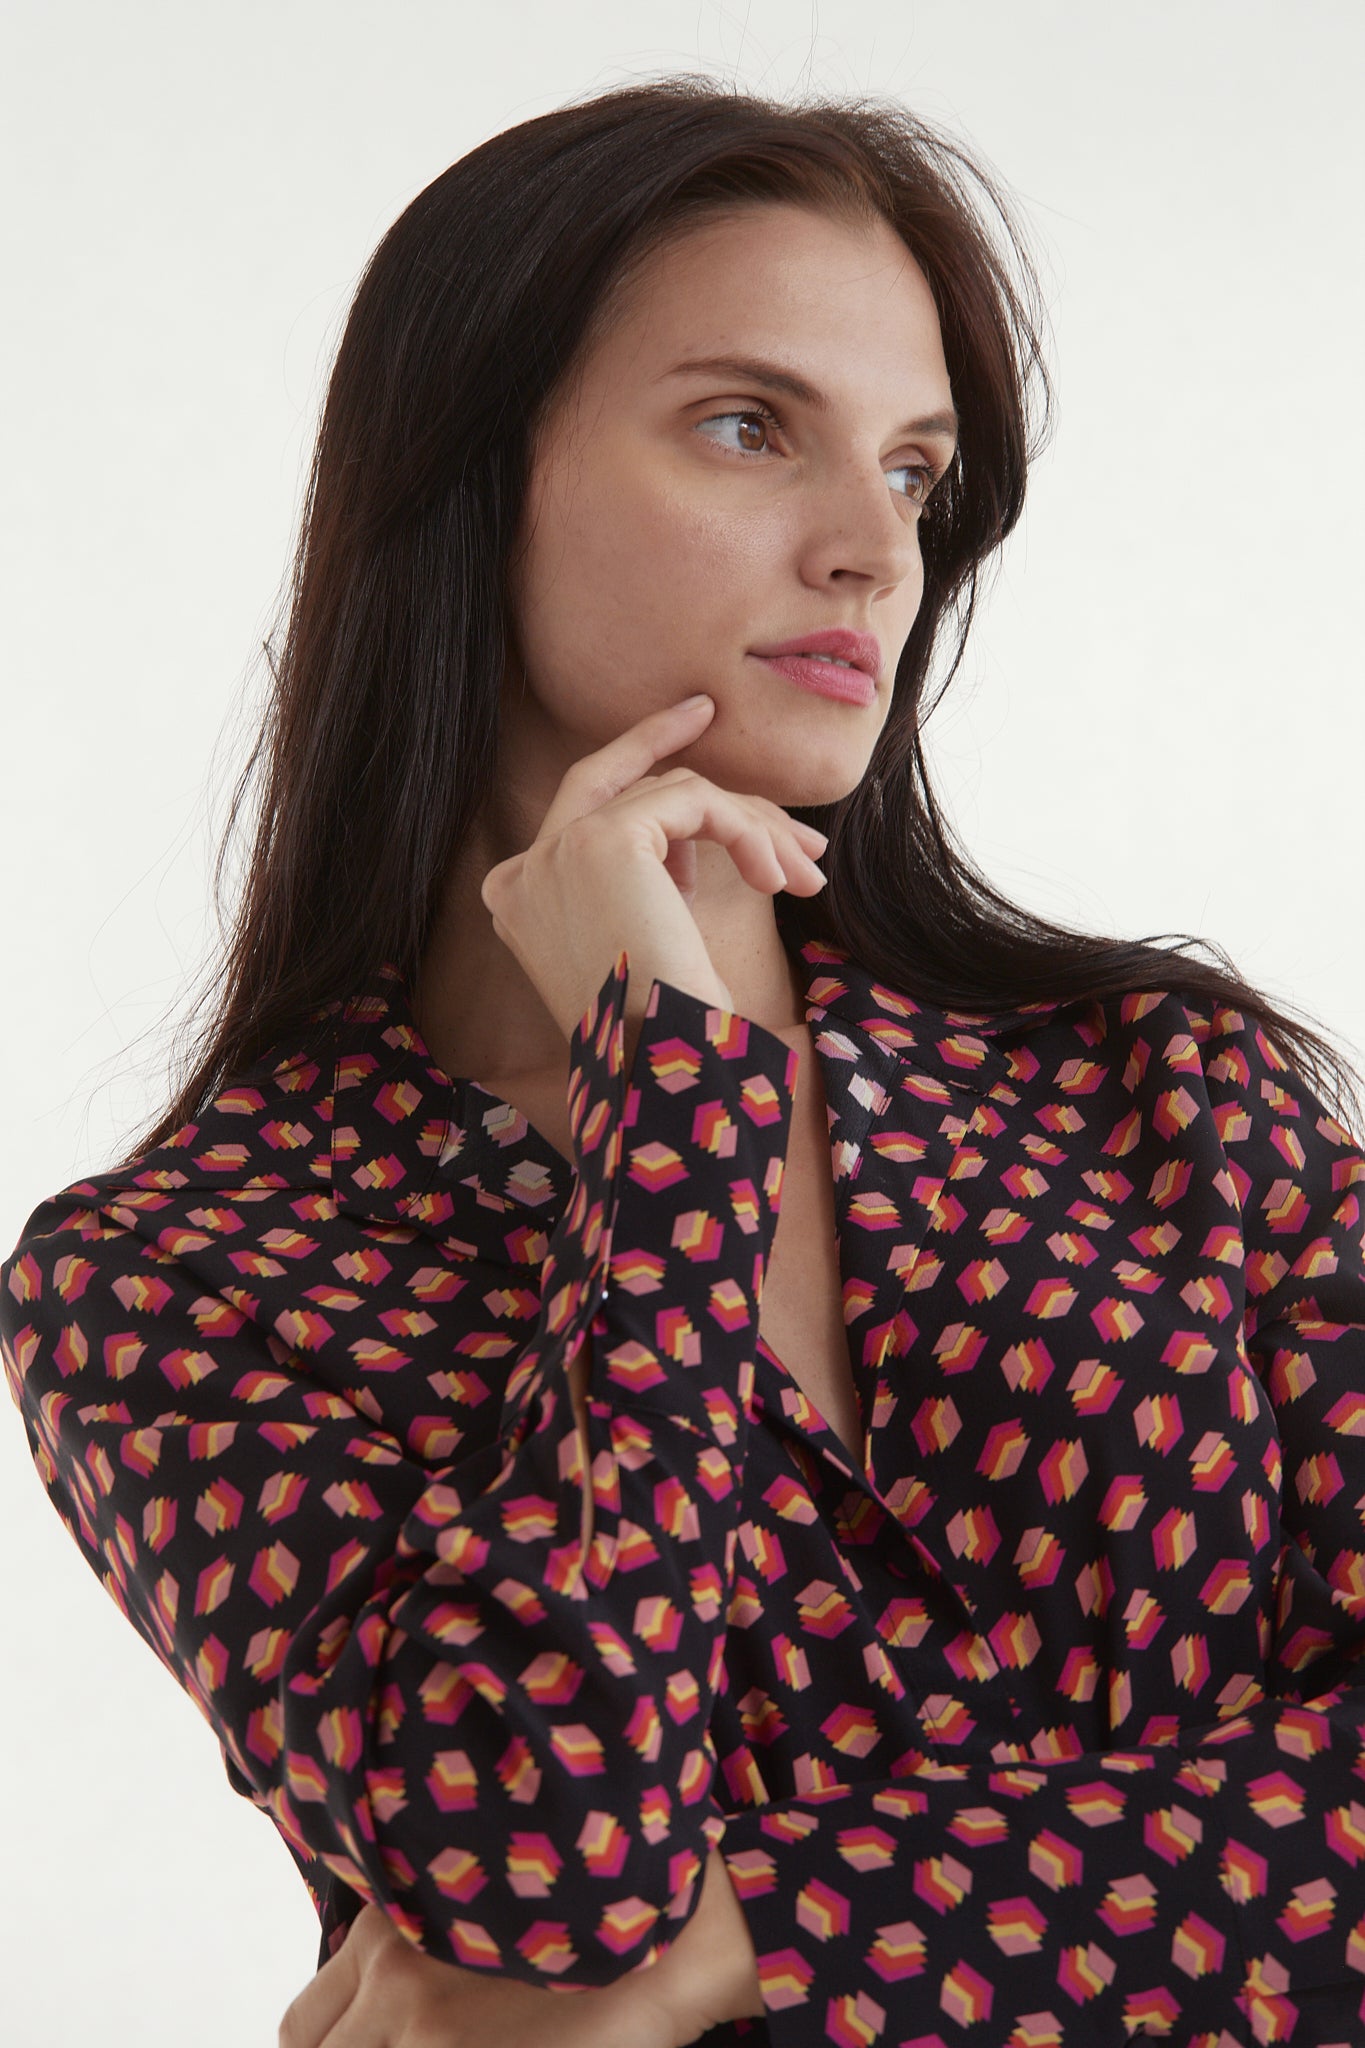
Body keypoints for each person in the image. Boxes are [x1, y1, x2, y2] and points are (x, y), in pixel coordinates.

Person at [4, 74, 1364, 2048]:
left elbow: (587, 1962)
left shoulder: (1165, 1093)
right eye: (747, 427)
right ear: (469, 481)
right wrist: (669, 1116)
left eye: (910, 471)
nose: (867, 551)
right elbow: (540, 1886)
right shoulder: (184, 1274)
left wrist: (751, 1931)